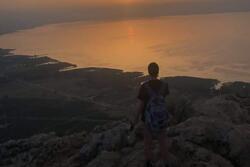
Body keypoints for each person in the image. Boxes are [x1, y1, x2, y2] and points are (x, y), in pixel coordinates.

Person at [132, 62, 170, 167]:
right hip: (161, 119)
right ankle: (166, 163)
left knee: (148, 143)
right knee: (162, 142)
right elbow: (165, 103)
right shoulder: (164, 86)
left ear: (149, 72)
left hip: (147, 120)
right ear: (158, 72)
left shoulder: (144, 86)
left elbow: (140, 106)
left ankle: (149, 163)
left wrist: (134, 121)